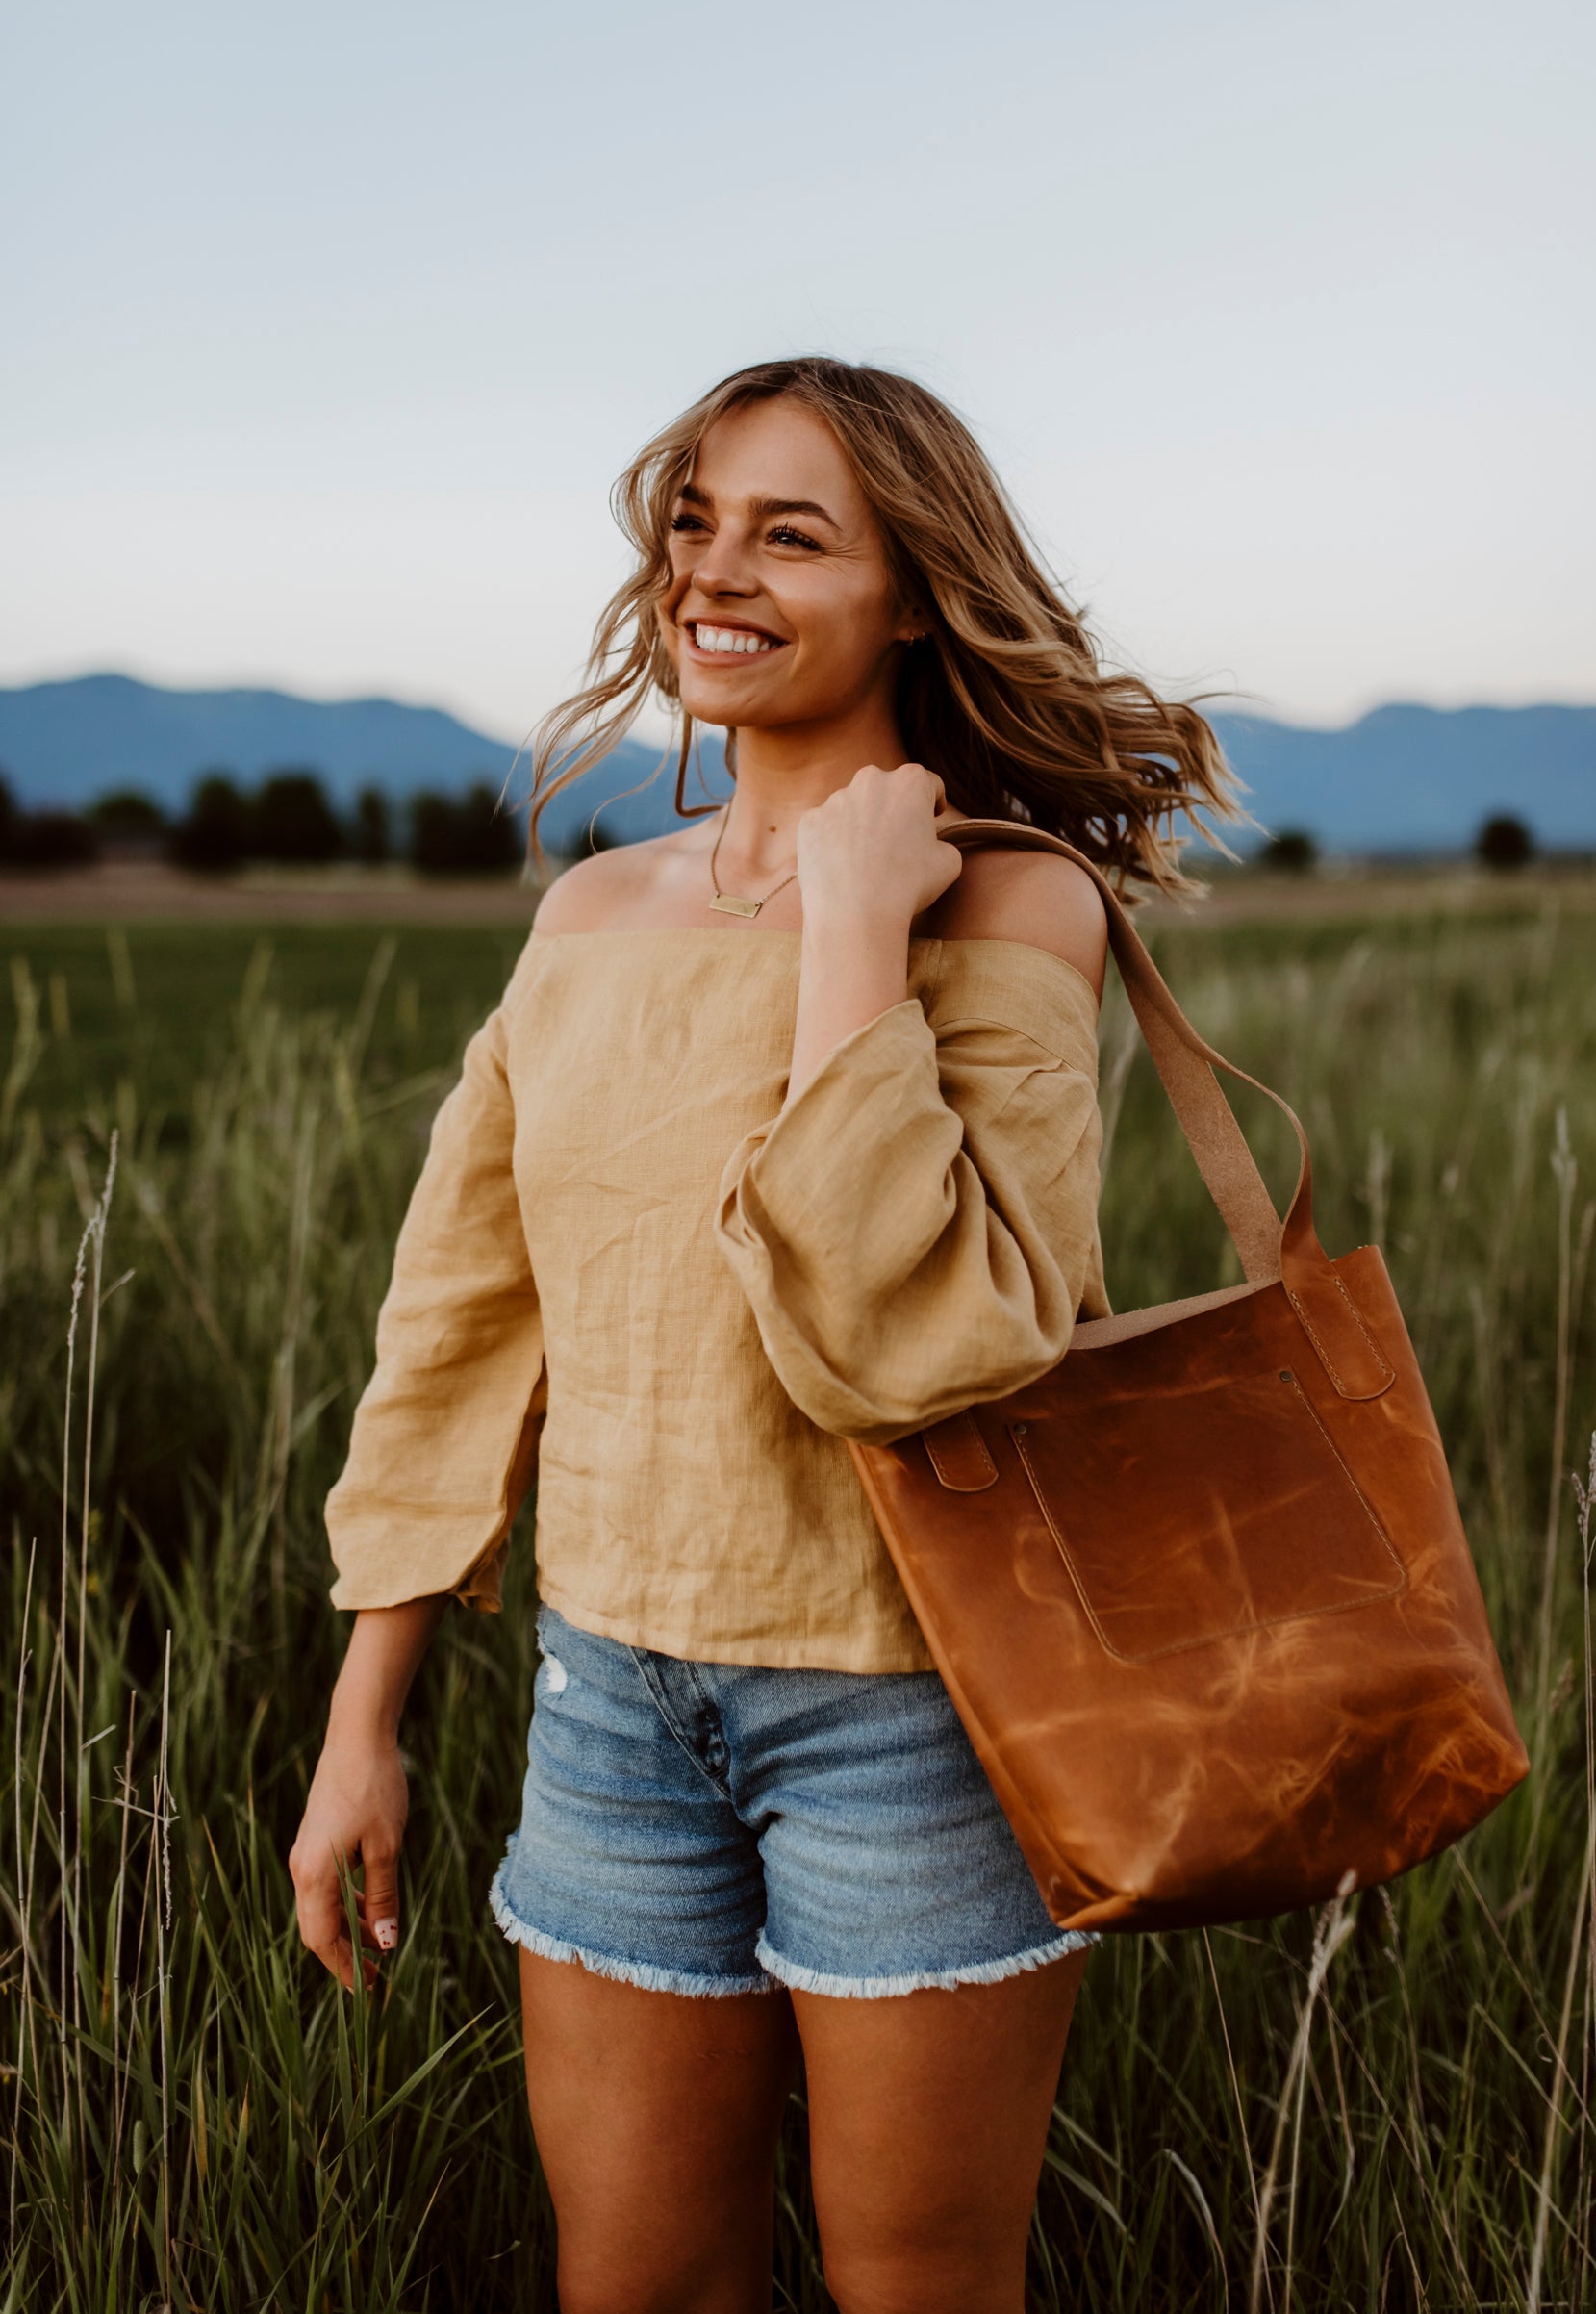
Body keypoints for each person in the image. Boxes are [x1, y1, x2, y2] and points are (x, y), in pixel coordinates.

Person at [290, 357, 1232, 2313]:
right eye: (691, 524)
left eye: (789, 532)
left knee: (918, 2289)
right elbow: (462, 1330)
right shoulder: (588, 923)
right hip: (608, 1712)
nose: (713, 573)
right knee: (632, 2279)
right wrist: (360, 1717)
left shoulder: (1010, 908)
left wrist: (850, 931)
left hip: (909, 1711)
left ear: (911, 587)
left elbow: (927, 1342)